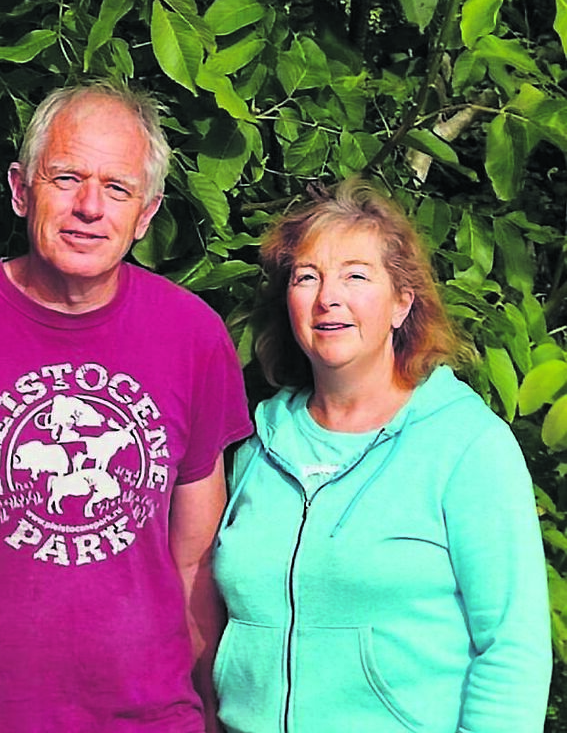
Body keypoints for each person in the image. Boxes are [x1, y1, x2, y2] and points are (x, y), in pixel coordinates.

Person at [0, 82, 252, 733]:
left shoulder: (192, 337)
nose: (90, 207)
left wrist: (208, 716)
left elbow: (194, 559)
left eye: (117, 188)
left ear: (145, 215)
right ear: (20, 189)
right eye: (66, 177)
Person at [212, 177, 552, 732]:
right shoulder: (255, 445)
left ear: (402, 303)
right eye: (307, 277)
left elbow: (513, 647)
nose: (329, 297)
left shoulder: (467, 446)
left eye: (356, 275)